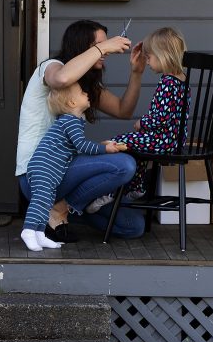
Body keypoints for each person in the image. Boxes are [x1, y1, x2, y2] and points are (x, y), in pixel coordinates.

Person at [15, 19, 147, 241]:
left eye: (105, 44)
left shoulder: (85, 87)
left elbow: (123, 110)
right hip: (39, 175)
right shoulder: (51, 67)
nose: (106, 51)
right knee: (124, 165)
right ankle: (58, 209)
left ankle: (61, 210)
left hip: (67, 173)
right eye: (98, 45)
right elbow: (62, 78)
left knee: (133, 226)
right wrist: (104, 47)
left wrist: (137, 73)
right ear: (80, 46)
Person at [21, 84, 124, 251]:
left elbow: (77, 147)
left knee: (47, 201)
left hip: (50, 168)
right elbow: (82, 145)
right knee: (40, 200)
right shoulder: (70, 121)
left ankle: (39, 234)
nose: (86, 93)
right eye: (82, 92)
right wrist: (104, 149)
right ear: (72, 103)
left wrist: (100, 146)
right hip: (44, 166)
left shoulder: (71, 121)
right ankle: (28, 230)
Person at [112, 27, 190, 197]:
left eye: (149, 57)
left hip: (164, 141)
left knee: (118, 141)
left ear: (163, 55)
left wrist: (142, 122)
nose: (147, 62)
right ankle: (137, 187)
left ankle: (110, 192)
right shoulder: (182, 80)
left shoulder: (168, 83)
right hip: (174, 140)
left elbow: (162, 118)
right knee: (138, 145)